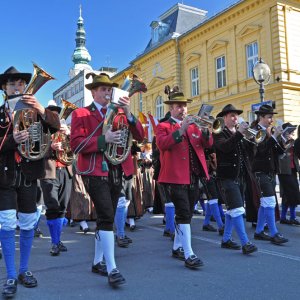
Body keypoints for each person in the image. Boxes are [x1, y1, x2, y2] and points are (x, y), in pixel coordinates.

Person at [70, 72, 144, 287]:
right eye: (103, 89)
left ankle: (97, 262)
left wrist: (129, 114)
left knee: (107, 218)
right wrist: (105, 139)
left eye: (109, 89)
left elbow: (139, 136)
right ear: (93, 92)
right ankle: (112, 268)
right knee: (106, 215)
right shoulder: (82, 114)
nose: (107, 92)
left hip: (116, 168)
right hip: (95, 170)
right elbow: (76, 145)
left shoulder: (120, 112)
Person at [0, 66, 60, 298]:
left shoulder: (34, 111)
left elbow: (55, 125)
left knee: (27, 223)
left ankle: (24, 270)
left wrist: (42, 109)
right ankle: (11, 274)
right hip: (5, 176)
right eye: (13, 83)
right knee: (6, 224)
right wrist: (13, 140)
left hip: (28, 174)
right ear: (4, 88)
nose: (18, 87)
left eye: (21, 84)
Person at [156, 86, 213, 269]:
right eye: (179, 106)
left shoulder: (194, 126)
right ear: (171, 108)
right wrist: (181, 129)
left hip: (193, 176)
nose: (183, 109)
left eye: (184, 106)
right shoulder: (163, 126)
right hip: (175, 177)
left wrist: (205, 130)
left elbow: (207, 144)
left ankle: (176, 247)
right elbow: (163, 144)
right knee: (183, 213)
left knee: (186, 213)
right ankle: (189, 253)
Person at [213, 104, 258, 255]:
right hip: (226, 176)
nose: (235, 118)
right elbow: (224, 147)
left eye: (236, 115)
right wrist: (239, 134)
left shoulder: (239, 133)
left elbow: (248, 154)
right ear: (224, 117)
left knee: (233, 209)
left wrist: (251, 139)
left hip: (240, 176)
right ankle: (245, 242)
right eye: (232, 115)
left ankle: (226, 240)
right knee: (238, 209)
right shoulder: (218, 131)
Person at [251, 104, 288, 245]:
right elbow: (260, 150)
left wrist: (283, 142)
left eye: (272, 117)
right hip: (260, 170)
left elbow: (276, 152)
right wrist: (273, 137)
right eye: (269, 117)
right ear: (261, 117)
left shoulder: (269, 131)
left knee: (265, 203)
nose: (271, 120)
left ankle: (259, 231)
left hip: (270, 171)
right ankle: (274, 233)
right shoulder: (254, 131)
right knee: (270, 202)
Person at [40, 100, 73, 256]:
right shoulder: (41, 130)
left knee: (62, 207)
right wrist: (50, 147)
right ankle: (54, 242)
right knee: (52, 207)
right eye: (52, 113)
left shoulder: (65, 129)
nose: (55, 116)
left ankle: (58, 240)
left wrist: (69, 135)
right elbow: (33, 150)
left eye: (57, 113)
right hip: (49, 171)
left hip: (66, 170)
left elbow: (77, 147)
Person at [278, 123, 300, 225]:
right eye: (291, 131)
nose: (293, 133)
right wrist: (287, 143)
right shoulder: (280, 140)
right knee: (287, 194)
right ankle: (284, 217)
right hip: (284, 170)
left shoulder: (294, 141)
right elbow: (280, 153)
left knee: (294, 194)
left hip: (293, 169)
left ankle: (291, 217)